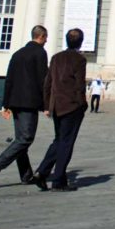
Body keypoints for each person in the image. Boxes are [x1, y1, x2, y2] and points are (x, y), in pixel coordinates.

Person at [0, 25, 49, 188]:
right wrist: (46, 104)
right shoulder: (40, 53)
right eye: (45, 37)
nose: (46, 40)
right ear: (41, 37)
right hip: (29, 102)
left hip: (15, 102)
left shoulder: (18, 54)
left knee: (21, 139)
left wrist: (6, 104)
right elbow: (43, 80)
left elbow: (9, 79)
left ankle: (26, 175)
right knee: (26, 139)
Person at [32, 28, 89, 192]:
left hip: (57, 106)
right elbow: (79, 85)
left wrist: (47, 105)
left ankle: (41, 173)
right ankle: (58, 180)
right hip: (71, 106)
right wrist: (82, 104)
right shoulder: (79, 60)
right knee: (66, 143)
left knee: (59, 140)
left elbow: (48, 83)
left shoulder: (56, 58)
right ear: (80, 42)